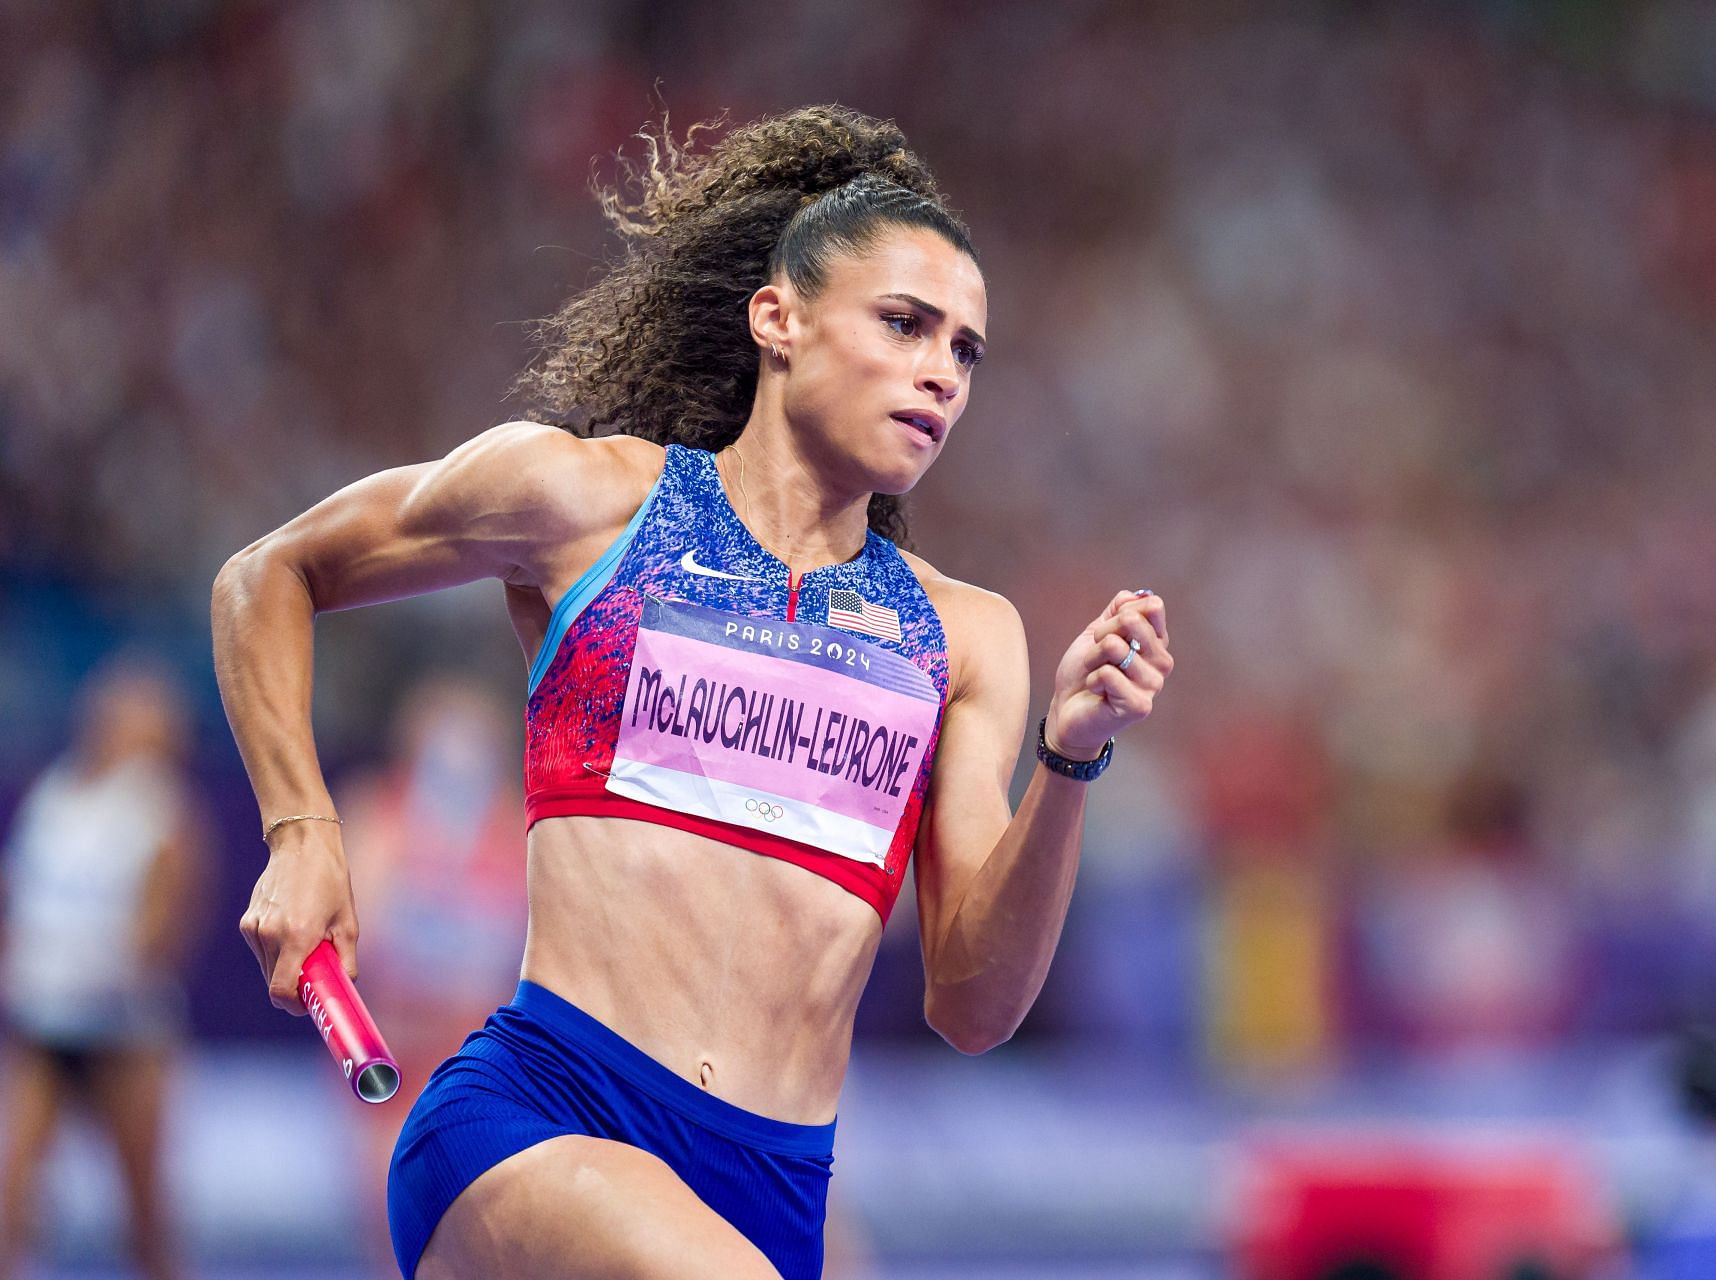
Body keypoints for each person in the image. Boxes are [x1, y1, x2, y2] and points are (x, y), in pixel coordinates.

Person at [211, 104, 1173, 1280]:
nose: (940, 373)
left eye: (965, 350)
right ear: (780, 317)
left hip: (773, 1189)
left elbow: (974, 1006)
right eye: (907, 324)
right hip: (539, 1121)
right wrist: (302, 830)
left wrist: (1070, 761)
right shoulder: (586, 504)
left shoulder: (961, 637)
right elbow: (269, 575)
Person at [0, 659, 205, 1280]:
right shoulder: (56, 794)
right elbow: (20, 895)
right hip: (45, 1020)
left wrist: (102, 965)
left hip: (126, 1028)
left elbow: (169, 919)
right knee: (14, 1190)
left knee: (142, 1209)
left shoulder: (165, 810)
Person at [333, 675, 529, 1268]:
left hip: (477, 1042)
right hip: (397, 1037)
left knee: (481, 1208)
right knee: (390, 1198)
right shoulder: (377, 817)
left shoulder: (516, 826)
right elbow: (360, 929)